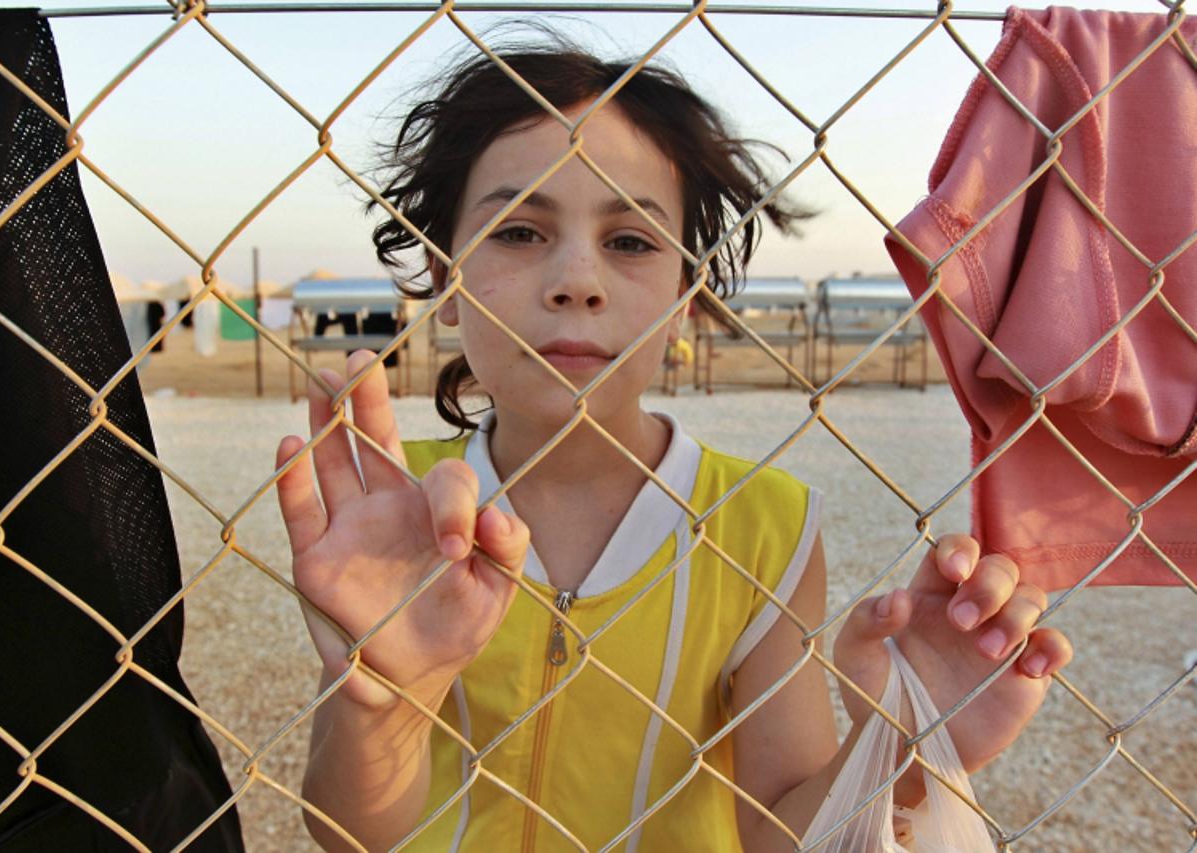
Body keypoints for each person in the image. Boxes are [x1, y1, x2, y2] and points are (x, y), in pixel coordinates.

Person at [273, 42, 1074, 852]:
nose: (577, 279)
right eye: (518, 231)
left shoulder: (764, 526)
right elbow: (350, 832)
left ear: (688, 294)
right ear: (444, 276)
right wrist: (384, 700)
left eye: (630, 241)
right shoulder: (394, 508)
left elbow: (772, 830)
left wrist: (904, 746)